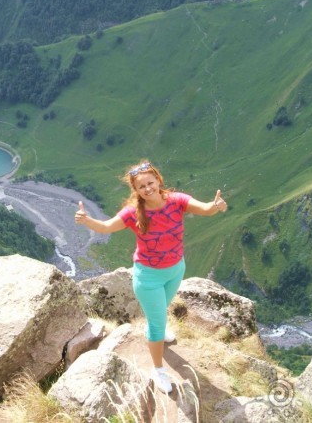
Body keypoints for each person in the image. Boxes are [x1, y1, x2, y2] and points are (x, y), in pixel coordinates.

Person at [74, 160, 227, 394]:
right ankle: (158, 370)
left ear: (158, 180)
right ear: (136, 190)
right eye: (141, 186)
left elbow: (204, 209)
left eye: (150, 182)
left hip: (176, 269)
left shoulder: (177, 201)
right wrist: (87, 221)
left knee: (162, 310)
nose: (147, 188)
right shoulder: (133, 213)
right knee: (155, 325)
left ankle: (160, 332)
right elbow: (106, 227)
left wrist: (215, 205)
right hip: (149, 278)